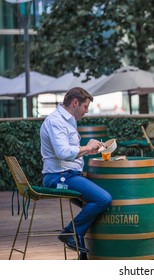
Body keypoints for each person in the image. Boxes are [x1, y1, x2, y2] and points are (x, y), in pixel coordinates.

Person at [40, 87, 112, 259]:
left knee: (95, 208)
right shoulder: (56, 121)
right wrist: (87, 147)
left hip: (69, 175)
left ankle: (82, 252)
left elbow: (69, 151)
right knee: (103, 199)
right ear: (75, 103)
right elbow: (63, 153)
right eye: (85, 107)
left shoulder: (68, 119)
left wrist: (87, 150)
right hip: (59, 177)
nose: (87, 111)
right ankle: (69, 233)